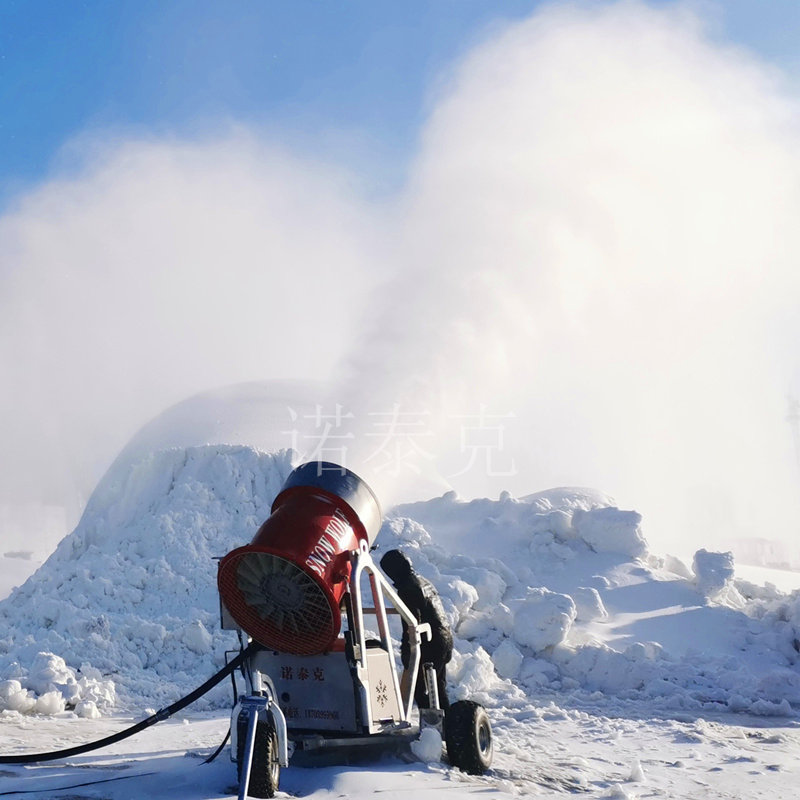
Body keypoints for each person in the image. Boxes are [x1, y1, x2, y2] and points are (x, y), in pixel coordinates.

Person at [379, 549, 452, 711]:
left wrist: (407, 650)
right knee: (438, 687)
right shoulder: (423, 581)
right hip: (444, 636)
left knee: (419, 688)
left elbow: (412, 623)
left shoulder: (407, 588)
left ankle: (430, 727)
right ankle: (447, 725)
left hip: (430, 641)